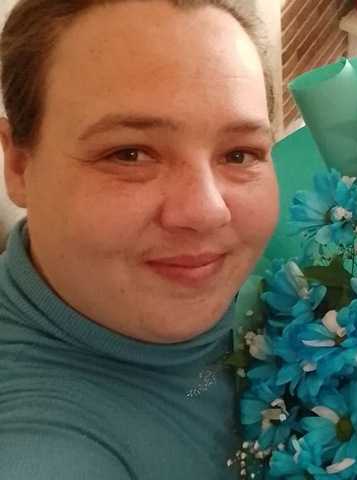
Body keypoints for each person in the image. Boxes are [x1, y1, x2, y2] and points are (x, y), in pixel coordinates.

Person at [0, 0, 279, 478]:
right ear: (19, 166)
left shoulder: (324, 260)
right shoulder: (37, 446)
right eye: (128, 154)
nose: (207, 211)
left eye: (239, 154)